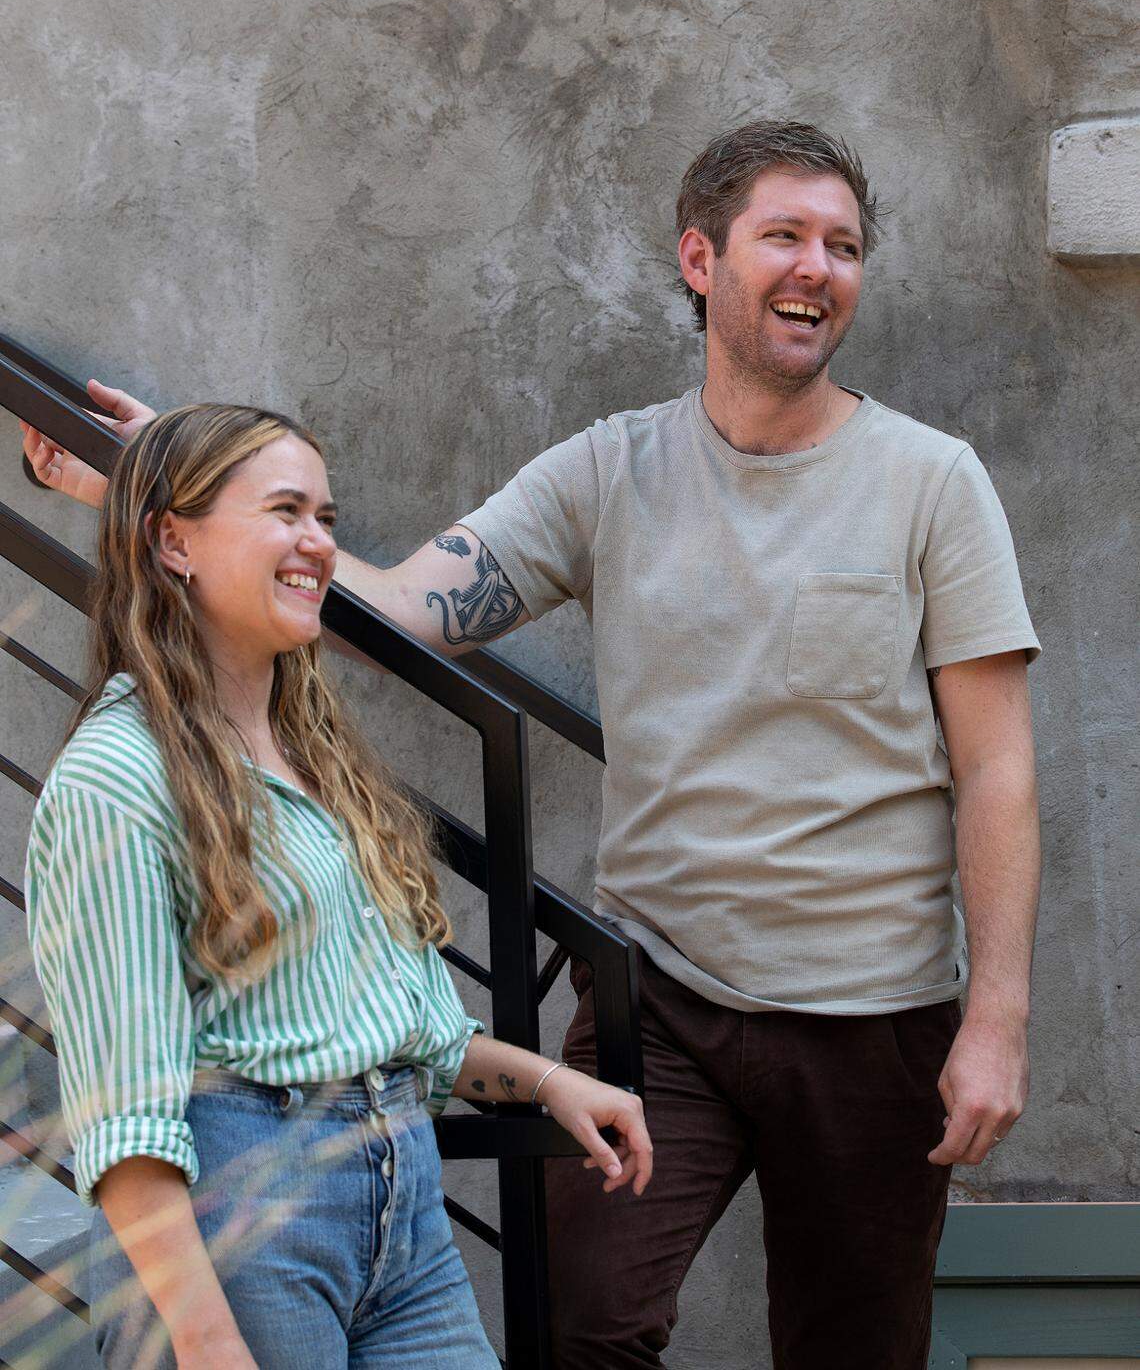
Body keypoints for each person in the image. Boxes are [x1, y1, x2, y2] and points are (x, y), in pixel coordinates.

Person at [23, 118, 1041, 1370]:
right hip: (662, 1000)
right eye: (784, 235)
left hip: (876, 1014)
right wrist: (148, 486)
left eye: (843, 246)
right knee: (584, 1331)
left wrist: (997, 1017)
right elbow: (398, 608)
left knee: (856, 1350)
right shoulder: (610, 470)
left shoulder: (933, 482)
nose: (816, 268)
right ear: (701, 258)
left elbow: (998, 767)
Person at [23, 403, 651, 1370]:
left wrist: (548, 1082)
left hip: (400, 1202)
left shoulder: (312, 757)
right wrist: (207, 1344)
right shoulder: (119, 776)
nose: (318, 541)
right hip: (238, 1219)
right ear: (174, 542)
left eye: (325, 516)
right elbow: (124, 1112)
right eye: (285, 511)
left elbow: (389, 1030)